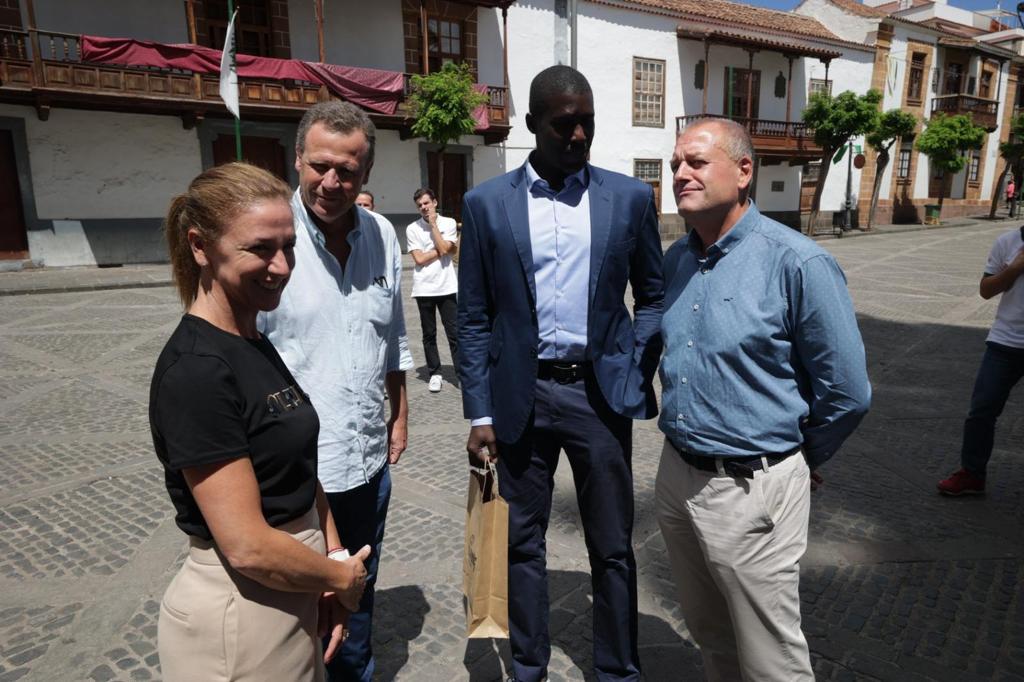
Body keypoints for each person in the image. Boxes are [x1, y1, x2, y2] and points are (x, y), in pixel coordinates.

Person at [458, 65, 664, 682]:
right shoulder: (485, 205)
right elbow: (473, 316)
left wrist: (633, 366)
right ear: (531, 126)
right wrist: (480, 411)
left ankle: (617, 671)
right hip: (521, 397)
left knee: (613, 547)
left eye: (588, 123)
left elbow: (652, 296)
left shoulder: (628, 199)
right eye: (564, 124)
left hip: (598, 398)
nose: (578, 135)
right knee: (522, 544)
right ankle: (528, 669)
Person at [656, 119, 871, 681]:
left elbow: (847, 391)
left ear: (744, 171)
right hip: (678, 477)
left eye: (697, 162)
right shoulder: (677, 260)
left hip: (752, 490)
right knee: (711, 636)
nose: (680, 173)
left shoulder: (798, 262)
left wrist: (800, 458)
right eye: (676, 162)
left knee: (770, 656)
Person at [151, 162, 371, 682]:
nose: (282, 266)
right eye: (260, 248)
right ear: (200, 246)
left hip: (290, 584)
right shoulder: (197, 370)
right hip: (242, 611)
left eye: (289, 245)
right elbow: (246, 544)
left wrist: (331, 553)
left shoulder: (251, 339)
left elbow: (296, 464)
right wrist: (342, 577)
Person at [258, 101, 414, 682]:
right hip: (295, 474)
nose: (332, 181)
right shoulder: (269, 238)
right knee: (288, 614)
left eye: (347, 170)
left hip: (368, 463)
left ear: (366, 173)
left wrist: (399, 414)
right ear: (296, 159)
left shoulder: (380, 234)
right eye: (319, 164)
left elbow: (392, 332)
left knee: (357, 600)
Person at [937, 226, 1024, 496]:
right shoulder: (1007, 241)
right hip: (1005, 341)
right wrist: (1014, 268)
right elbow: (985, 290)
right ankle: (972, 474)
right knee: (981, 412)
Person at [406, 187, 459, 393]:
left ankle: (461, 374)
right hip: (424, 288)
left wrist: (434, 225)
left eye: (426, 203)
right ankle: (434, 373)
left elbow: (448, 250)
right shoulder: (412, 228)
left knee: (454, 333)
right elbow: (419, 259)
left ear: (435, 202)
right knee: (429, 334)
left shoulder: (449, 223)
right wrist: (444, 249)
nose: (423, 208)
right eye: (419, 205)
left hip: (446, 285)